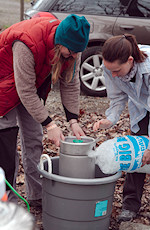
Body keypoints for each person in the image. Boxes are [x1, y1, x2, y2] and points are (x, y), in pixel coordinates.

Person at [0, 14, 90, 206]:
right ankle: (7, 202)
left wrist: (73, 120)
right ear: (60, 42)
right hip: (3, 87)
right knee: (6, 146)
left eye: (78, 52)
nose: (75, 55)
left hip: (28, 86)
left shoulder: (73, 48)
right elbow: (24, 90)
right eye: (72, 51)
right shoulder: (26, 42)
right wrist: (50, 124)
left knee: (34, 139)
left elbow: (71, 83)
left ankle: (36, 195)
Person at [93, 34, 150, 222]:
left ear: (130, 60)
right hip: (141, 108)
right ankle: (130, 204)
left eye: (117, 70)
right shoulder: (110, 67)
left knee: (149, 151)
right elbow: (118, 97)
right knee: (135, 155)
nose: (114, 75)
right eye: (110, 70)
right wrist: (110, 119)